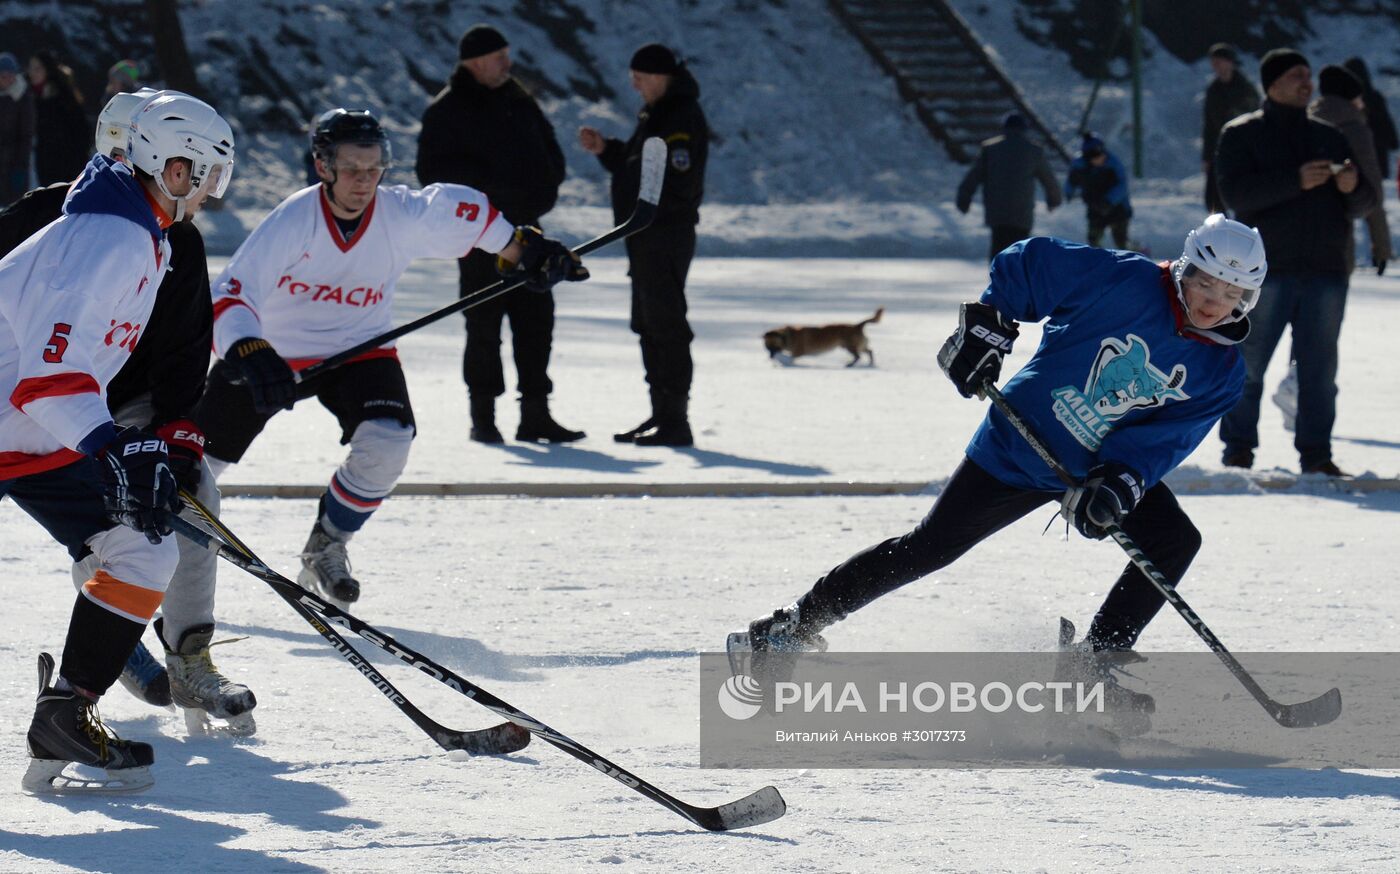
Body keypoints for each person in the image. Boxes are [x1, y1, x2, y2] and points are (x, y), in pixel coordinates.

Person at [729, 216, 1267, 721]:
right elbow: (1027, 261)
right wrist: (990, 325)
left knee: (1175, 540)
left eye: (1231, 293)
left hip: (1093, 465)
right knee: (927, 548)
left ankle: (1090, 668)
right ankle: (784, 631)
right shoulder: (1123, 279)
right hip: (1020, 444)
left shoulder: (1220, 369)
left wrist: (1121, 482)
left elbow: (1165, 438)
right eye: (1206, 283)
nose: (1214, 302)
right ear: (1185, 269)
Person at [196, 108, 585, 607]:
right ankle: (152, 563)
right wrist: (246, 346)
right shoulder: (295, 218)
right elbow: (231, 291)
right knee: (196, 466)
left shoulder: (399, 214)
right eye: (353, 170)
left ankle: (327, 545)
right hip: (272, 355)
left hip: (360, 349)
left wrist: (522, 248)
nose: (364, 182)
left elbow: (467, 213)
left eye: (375, 169)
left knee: (389, 443)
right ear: (323, 167)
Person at [0, 88, 255, 734]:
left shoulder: (152, 239)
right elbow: (50, 377)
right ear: (176, 169)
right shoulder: (107, 236)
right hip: (41, 417)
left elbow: (169, 357)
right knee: (137, 532)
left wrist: (157, 444)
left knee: (143, 547)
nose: (213, 195)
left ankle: (67, 714)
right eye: (210, 178)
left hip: (32, 434)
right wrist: (114, 450)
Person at [1216, 49, 1377, 477]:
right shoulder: (1242, 133)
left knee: (1319, 374)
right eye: (1295, 76)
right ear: (1272, 84)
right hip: (1265, 272)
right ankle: (1238, 452)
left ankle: (1316, 456)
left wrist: (1352, 185)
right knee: (1247, 368)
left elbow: (1365, 202)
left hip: (1326, 272)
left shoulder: (1330, 134)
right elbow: (1236, 197)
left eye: (1308, 75)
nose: (1306, 82)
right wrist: (1296, 181)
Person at [417, 24, 581, 445]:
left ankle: (535, 415)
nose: (508, 63)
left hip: (530, 230)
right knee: (483, 325)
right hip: (476, 238)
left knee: (536, 322)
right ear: (474, 63)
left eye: (507, 54)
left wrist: (539, 194)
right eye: (499, 56)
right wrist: (493, 199)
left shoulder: (519, 100)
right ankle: (483, 417)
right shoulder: (446, 111)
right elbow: (434, 177)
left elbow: (551, 157)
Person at [580, 42, 708, 447]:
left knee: (666, 325)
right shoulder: (659, 113)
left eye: (639, 78)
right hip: (645, 233)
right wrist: (609, 151)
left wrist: (648, 211)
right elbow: (642, 165)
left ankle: (675, 420)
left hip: (663, 234)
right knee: (649, 324)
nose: (635, 86)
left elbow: (676, 179)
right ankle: (662, 413)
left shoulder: (679, 116)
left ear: (660, 75)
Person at [956, 113, 1062, 262]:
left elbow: (973, 176)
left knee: (998, 247)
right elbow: (1048, 179)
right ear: (1024, 129)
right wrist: (1054, 200)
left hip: (997, 210)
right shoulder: (1033, 150)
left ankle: (999, 281)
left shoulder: (990, 149)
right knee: (1019, 249)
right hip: (1022, 210)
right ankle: (1017, 281)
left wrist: (964, 198)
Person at [1341, 56, 1397, 275]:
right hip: (1374, 163)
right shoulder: (1374, 98)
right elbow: (1391, 135)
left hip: (1346, 164)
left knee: (1345, 212)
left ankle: (1348, 260)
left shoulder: (1342, 102)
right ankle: (1382, 255)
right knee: (1375, 210)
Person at [1201, 43, 1260, 214]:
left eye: (1219, 61)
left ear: (1230, 62)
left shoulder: (1245, 89)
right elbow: (1209, 125)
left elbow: (1254, 119)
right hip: (1219, 149)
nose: (1216, 66)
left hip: (1243, 149)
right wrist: (1207, 156)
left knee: (1245, 194)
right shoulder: (1213, 90)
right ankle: (1220, 230)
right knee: (1212, 196)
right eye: (1214, 62)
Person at [26, 51, 89, 185]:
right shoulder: (29, 96)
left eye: (37, 68)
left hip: (66, 166)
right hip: (42, 164)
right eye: (31, 68)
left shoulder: (64, 97)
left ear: (48, 70)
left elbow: (81, 133)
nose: (32, 72)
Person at [1064, 133, 1133, 249]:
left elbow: (1122, 186)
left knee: (1121, 242)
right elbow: (1071, 182)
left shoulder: (1113, 164)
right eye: (1094, 157)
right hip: (1094, 207)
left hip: (1117, 208)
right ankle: (1098, 263)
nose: (1099, 159)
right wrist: (1069, 193)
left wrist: (1109, 201)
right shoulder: (1080, 166)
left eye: (1101, 155)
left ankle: (1136, 253)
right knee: (1093, 241)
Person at [0, 52, 35, 205]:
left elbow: (26, 133)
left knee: (13, 204)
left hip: (14, 162)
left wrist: (20, 165)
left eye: (7, 75)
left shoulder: (22, 96)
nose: (4, 79)